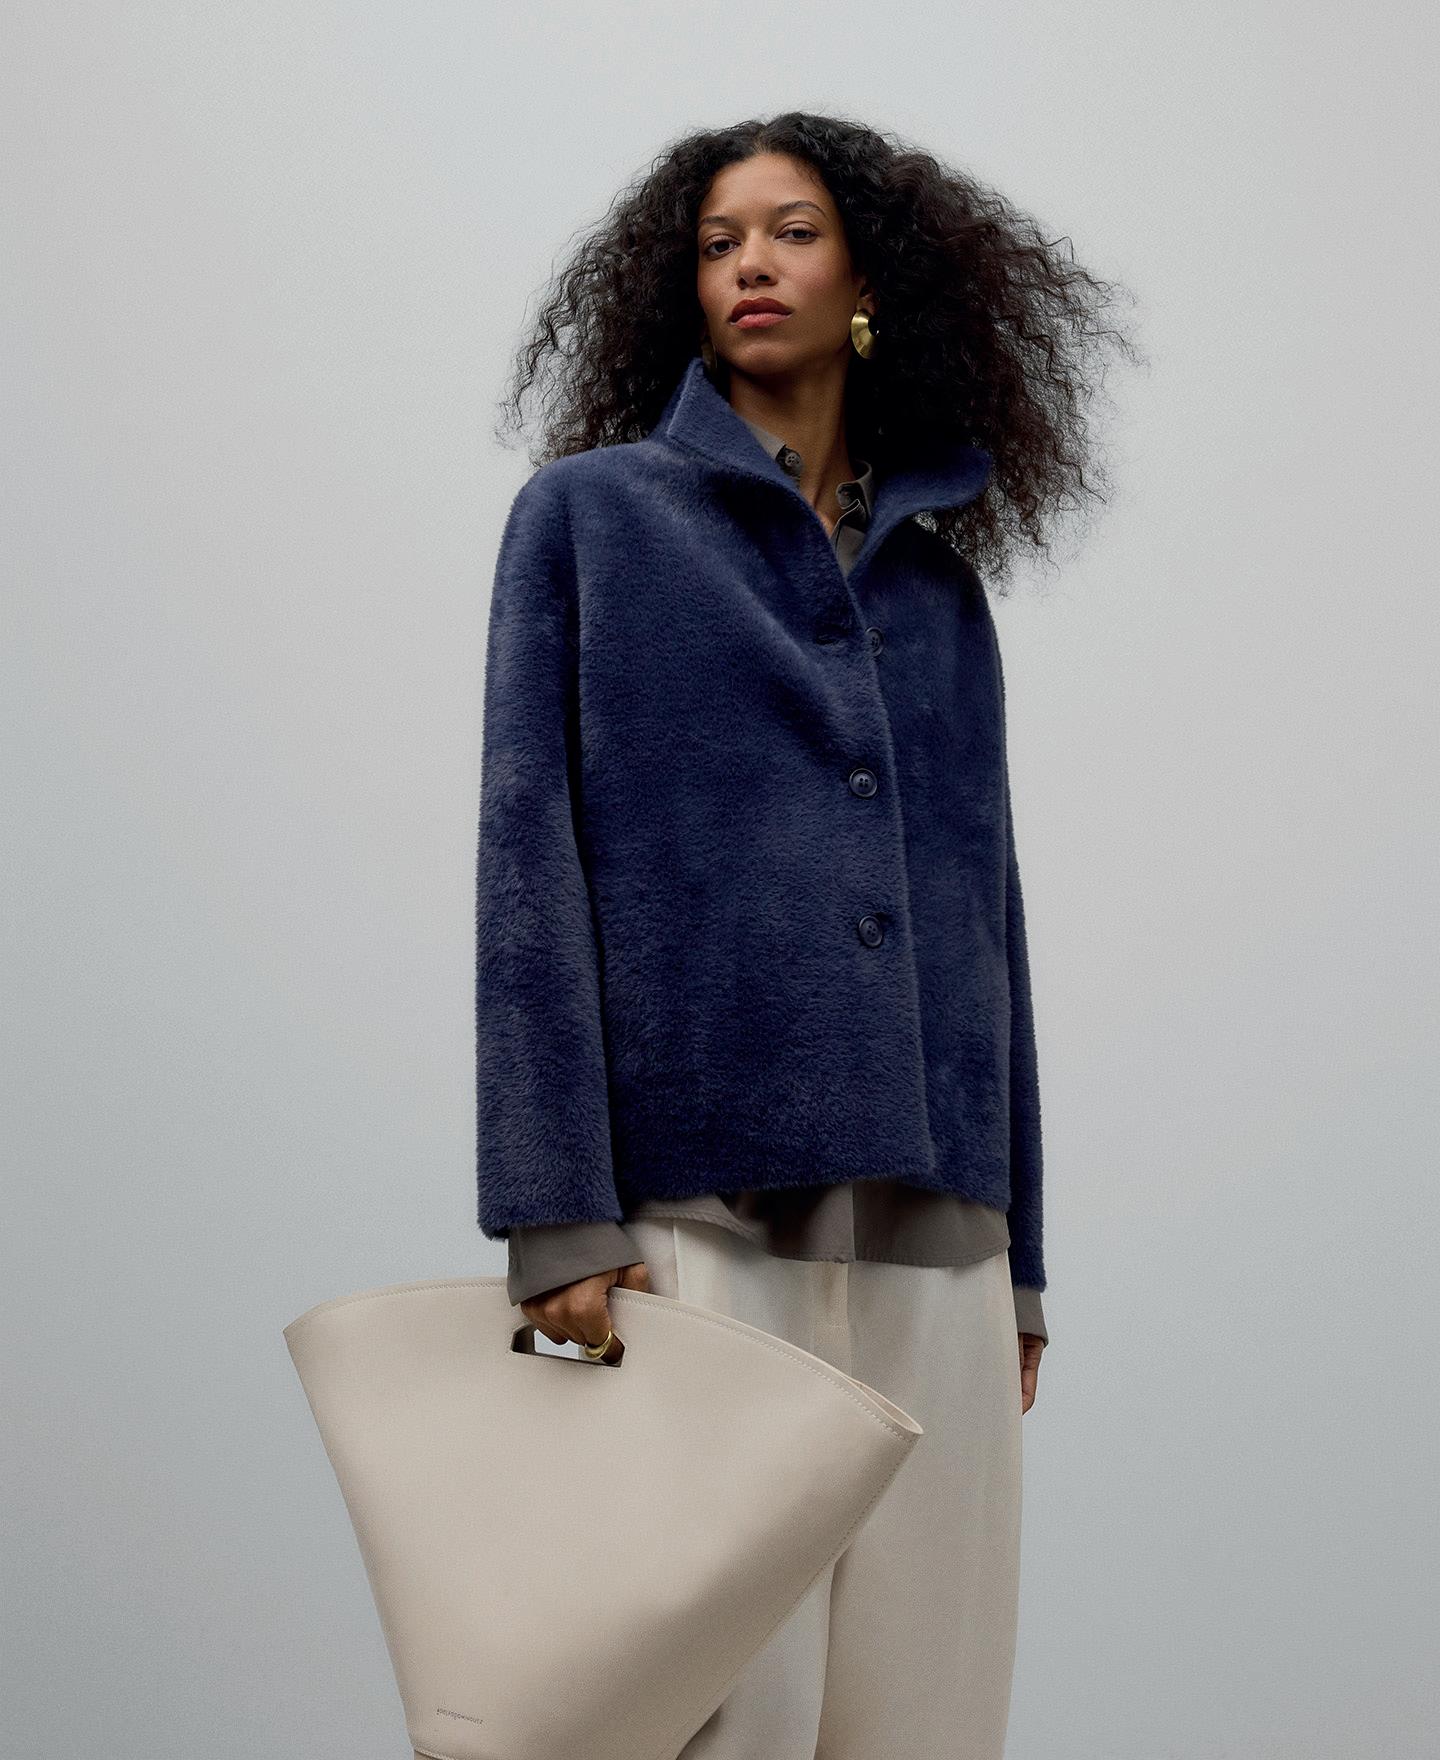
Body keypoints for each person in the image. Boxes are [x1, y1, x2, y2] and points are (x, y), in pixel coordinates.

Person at [475, 109, 1139, 1760]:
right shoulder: (590, 523)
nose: (751, 264)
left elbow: (986, 924)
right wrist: (556, 1213)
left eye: (791, 231)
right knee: (720, 1720)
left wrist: (1020, 1257)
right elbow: (526, 872)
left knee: (926, 1720)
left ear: (871, 282)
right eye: (718, 243)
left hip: (937, 1237)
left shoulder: (940, 594)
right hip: (694, 1221)